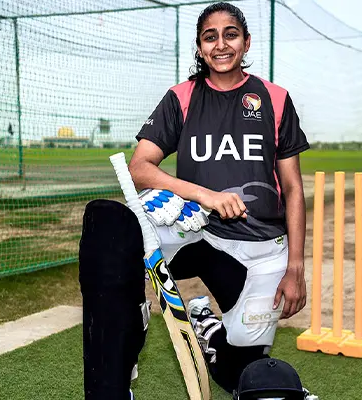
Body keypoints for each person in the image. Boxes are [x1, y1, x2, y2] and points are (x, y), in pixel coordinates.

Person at [79, 2, 310, 398]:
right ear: (200, 48)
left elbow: (293, 189)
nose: (221, 44)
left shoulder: (274, 98)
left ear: (246, 42)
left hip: (261, 253)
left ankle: (209, 330)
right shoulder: (181, 97)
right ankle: (112, 381)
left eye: (230, 34)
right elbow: (140, 167)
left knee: (244, 376)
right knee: (107, 223)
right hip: (197, 233)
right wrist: (202, 195)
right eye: (210, 37)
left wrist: (295, 267)